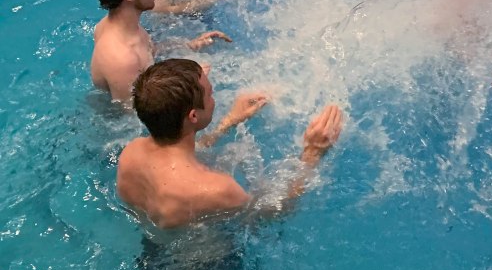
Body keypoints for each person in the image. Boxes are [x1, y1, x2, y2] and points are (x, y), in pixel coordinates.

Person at [117, 59, 343, 229]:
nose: (213, 99)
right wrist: (313, 153)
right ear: (193, 116)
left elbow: (181, 153)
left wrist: (229, 122)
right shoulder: (218, 189)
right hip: (206, 269)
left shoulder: (132, 153)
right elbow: (274, 212)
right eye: (210, 94)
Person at [90, 0, 230, 102]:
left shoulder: (119, 25)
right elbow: (138, 115)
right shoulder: (123, 60)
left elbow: (149, 51)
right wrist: (189, 85)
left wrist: (190, 45)